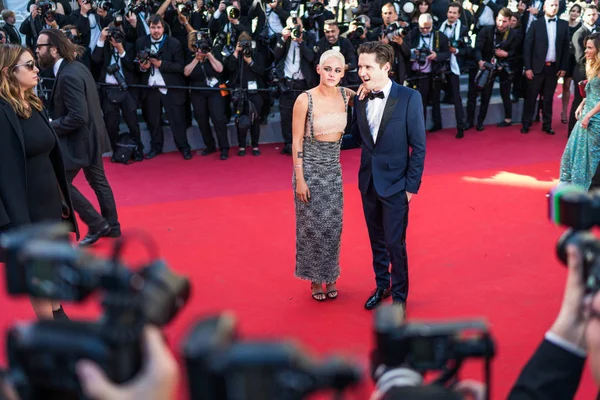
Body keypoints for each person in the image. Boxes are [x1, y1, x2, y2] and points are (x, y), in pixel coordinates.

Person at [0, 43, 77, 319]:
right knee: (38, 270)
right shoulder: (2, 111)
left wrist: (62, 197)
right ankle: (50, 328)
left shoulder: (33, 103)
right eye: (29, 65)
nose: (36, 69)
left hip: (50, 204)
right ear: (9, 71)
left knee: (53, 264)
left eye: (35, 63)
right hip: (24, 210)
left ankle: (57, 312)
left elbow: (48, 156)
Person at [351, 42, 426, 313]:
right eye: (360, 66)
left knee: (395, 243)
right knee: (376, 240)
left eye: (368, 66)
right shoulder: (359, 98)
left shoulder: (409, 98)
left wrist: (410, 188)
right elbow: (358, 139)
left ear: (385, 67)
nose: (361, 72)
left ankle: (399, 299)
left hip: (397, 185)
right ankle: (382, 285)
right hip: (368, 181)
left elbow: (418, 146)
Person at [36, 28, 122, 246]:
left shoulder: (69, 74)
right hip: (91, 136)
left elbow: (78, 116)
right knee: (98, 181)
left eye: (40, 47)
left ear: (54, 50)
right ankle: (112, 227)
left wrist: (51, 126)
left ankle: (96, 223)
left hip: (81, 140)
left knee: (60, 183)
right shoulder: (76, 68)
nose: (36, 51)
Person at [292, 49, 355, 301]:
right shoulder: (304, 99)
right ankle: (315, 280)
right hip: (309, 169)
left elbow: (373, 91)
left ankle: (331, 276)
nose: (332, 74)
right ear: (318, 69)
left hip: (333, 170)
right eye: (328, 69)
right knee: (310, 228)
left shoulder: (347, 95)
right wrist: (300, 178)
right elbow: (296, 141)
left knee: (332, 227)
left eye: (338, 70)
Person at [559, 33, 600, 190]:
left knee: (589, 159)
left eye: (590, 48)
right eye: (586, 47)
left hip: (594, 120)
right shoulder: (592, 64)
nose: (586, 51)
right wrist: (582, 103)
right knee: (573, 154)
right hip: (586, 117)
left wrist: (589, 115)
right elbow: (593, 90)